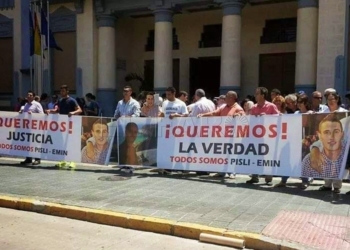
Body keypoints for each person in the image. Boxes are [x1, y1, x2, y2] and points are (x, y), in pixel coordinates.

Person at [309, 92, 348, 193]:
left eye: (332, 99)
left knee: (337, 163)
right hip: (326, 141)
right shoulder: (324, 111)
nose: (330, 101)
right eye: (329, 100)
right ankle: (327, 184)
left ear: (337, 100)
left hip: (339, 142)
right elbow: (317, 121)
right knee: (326, 162)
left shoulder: (344, 111)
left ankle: (337, 186)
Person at [275, 94, 313, 189]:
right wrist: (282, 116)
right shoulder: (296, 113)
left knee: (302, 161)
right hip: (293, 140)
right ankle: (283, 180)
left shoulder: (311, 113)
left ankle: (305, 181)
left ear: (306, 103)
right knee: (288, 160)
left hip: (304, 142)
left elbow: (305, 124)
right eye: (298, 102)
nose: (299, 104)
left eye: (301, 102)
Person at [246, 87, 279, 185]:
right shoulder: (254, 107)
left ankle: (268, 178)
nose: (255, 95)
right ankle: (255, 176)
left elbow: (280, 117)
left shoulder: (271, 106)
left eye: (257, 94)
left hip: (268, 137)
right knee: (255, 156)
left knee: (267, 157)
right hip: (256, 137)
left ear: (263, 95)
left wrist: (268, 117)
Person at [302, 114, 346, 186]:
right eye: (326, 132)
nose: (331, 137)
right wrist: (314, 148)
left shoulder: (346, 152)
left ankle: (336, 186)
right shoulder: (308, 160)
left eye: (336, 132)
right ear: (319, 135)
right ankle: (327, 185)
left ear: (342, 134)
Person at [46, 85, 82, 168]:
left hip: (71, 126)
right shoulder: (60, 100)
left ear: (67, 91)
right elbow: (57, 110)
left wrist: (73, 113)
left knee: (71, 144)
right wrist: (50, 111)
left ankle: (72, 161)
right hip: (62, 126)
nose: (61, 92)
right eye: (60, 91)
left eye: (63, 91)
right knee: (62, 144)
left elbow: (79, 110)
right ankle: (63, 161)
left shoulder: (72, 100)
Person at [19, 91, 44, 165]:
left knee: (36, 143)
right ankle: (28, 159)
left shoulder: (37, 104)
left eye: (30, 95)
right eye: (28, 95)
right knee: (28, 143)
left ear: (33, 97)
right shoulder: (26, 105)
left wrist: (33, 114)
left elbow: (41, 114)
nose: (29, 96)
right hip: (27, 127)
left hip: (35, 127)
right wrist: (21, 112)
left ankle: (37, 159)